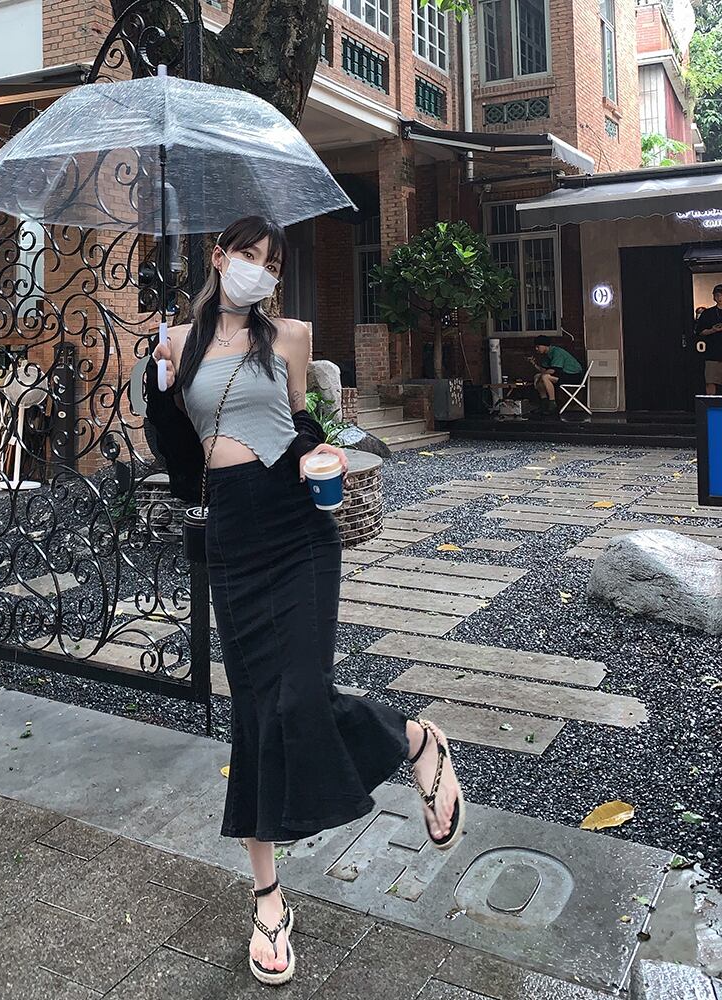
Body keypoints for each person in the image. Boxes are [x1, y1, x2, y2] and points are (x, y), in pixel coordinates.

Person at [146, 216, 465, 987]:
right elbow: (178, 455)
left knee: (300, 696)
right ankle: (268, 899)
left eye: (270, 262)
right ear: (219, 257)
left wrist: (320, 448)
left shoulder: (290, 337)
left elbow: (298, 426)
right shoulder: (176, 344)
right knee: (257, 712)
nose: (257, 270)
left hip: (298, 527)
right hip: (233, 528)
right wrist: (156, 386)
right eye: (246, 255)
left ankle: (415, 741)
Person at [529, 336, 584, 415]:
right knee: (538, 376)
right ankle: (544, 403)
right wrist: (534, 364)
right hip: (562, 375)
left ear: (545, 345)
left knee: (544, 377)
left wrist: (541, 376)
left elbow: (554, 370)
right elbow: (544, 370)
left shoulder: (557, 352)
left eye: (538, 346)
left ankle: (552, 404)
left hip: (573, 375)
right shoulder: (546, 355)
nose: (536, 349)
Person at [694, 284, 722, 394]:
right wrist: (713, 330)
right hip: (713, 353)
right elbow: (700, 331)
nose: (720, 298)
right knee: (710, 382)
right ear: (713, 296)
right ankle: (711, 403)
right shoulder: (708, 313)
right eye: (717, 295)